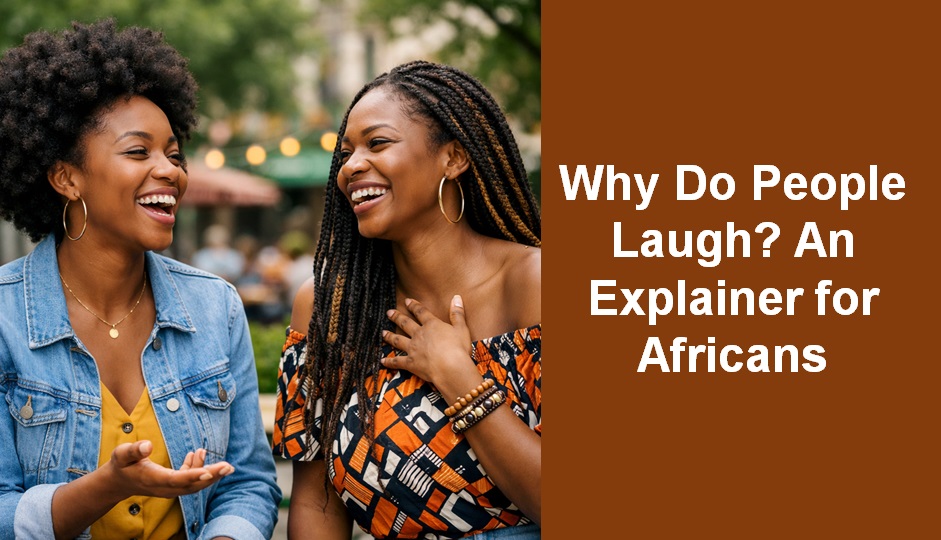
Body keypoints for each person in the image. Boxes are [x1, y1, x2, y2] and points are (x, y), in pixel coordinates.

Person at [0, 20, 280, 539]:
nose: (170, 171)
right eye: (138, 152)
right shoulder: (4, 317)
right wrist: (106, 486)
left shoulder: (215, 306)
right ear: (66, 178)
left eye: (174, 154)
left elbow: (249, 484)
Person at [272, 61, 541, 539]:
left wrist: (459, 377)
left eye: (377, 143)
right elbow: (316, 503)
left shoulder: (534, 284)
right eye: (346, 153)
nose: (351, 166)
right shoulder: (329, 307)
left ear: (453, 158)